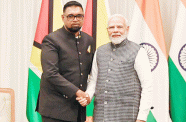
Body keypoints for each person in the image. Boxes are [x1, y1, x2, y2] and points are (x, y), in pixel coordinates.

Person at [77, 14, 153, 122]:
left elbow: (147, 86)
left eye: (119, 27)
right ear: (107, 30)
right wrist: (88, 96)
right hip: (100, 116)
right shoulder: (100, 51)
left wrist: (142, 118)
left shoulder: (138, 51)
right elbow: (94, 80)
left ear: (127, 29)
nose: (115, 30)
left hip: (128, 116)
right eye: (112, 27)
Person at [36, 1, 94, 122]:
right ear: (63, 18)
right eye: (70, 16)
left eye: (79, 16)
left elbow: (91, 72)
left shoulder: (88, 40)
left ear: (83, 17)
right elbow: (50, 73)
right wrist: (78, 92)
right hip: (55, 109)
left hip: (78, 108)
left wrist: (87, 95)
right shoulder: (51, 40)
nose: (75, 19)